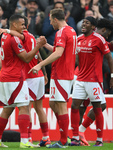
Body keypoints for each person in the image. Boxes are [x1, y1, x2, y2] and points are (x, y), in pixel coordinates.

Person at [0, 14, 47, 148]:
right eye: (22, 24)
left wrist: (8, 30)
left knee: (7, 109)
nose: (24, 26)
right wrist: (38, 46)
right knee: (24, 108)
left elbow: (20, 36)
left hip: (4, 77)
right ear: (15, 25)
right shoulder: (14, 39)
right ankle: (24, 141)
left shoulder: (5, 36)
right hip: (15, 78)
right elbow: (27, 58)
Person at [29, 9, 77, 148]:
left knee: (61, 106)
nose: (50, 23)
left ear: (56, 19)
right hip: (64, 73)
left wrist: (40, 64)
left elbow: (58, 54)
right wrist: (44, 45)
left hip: (61, 73)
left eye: (50, 20)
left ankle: (63, 141)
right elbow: (58, 50)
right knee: (53, 104)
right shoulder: (71, 31)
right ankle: (65, 135)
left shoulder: (61, 32)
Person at [71, 16, 113, 147]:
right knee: (75, 106)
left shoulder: (99, 39)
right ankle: (75, 137)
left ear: (93, 27)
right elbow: (76, 58)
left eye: (87, 23)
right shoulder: (78, 39)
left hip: (93, 80)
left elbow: (108, 55)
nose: (83, 24)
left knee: (98, 107)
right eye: (83, 22)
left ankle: (99, 140)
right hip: (79, 78)